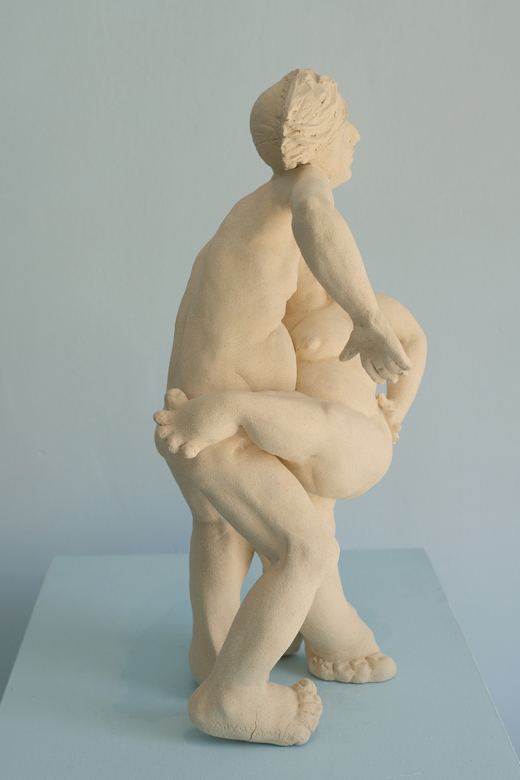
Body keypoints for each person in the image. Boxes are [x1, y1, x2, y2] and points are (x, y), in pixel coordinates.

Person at [154, 69, 413, 746]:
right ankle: (232, 699)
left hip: (187, 413)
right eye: (345, 125)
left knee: (219, 529)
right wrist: (367, 318)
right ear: (313, 143)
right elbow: (320, 221)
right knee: (306, 548)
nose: (355, 137)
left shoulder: (246, 216)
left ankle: (215, 655)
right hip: (219, 423)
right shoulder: (302, 195)